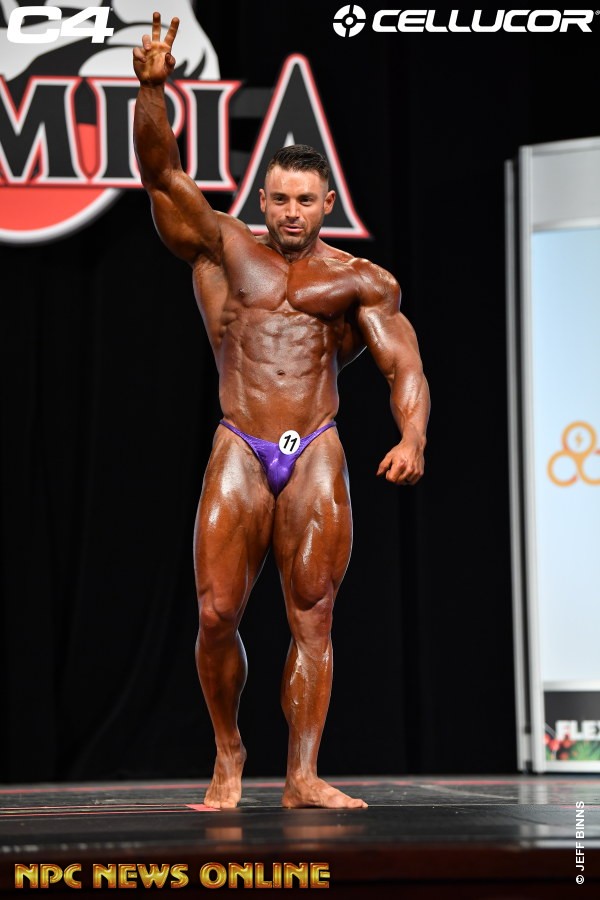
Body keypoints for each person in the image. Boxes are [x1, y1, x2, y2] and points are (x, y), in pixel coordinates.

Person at [133, 12, 430, 810]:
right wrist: (152, 91)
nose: (292, 211)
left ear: (327, 200)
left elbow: (403, 362)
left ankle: (301, 775)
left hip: (316, 449)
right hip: (240, 441)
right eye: (280, 199)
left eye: (305, 199)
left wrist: (412, 435)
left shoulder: (359, 280)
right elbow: (160, 175)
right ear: (260, 198)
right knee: (215, 612)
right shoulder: (224, 249)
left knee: (314, 617)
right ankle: (229, 751)